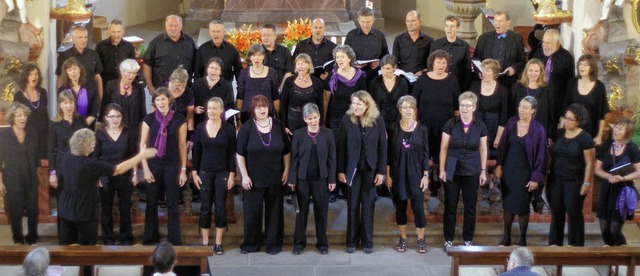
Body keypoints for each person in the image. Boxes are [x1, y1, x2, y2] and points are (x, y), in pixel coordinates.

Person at [58, 128, 156, 245]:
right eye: (92, 142)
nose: (95, 143)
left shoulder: (66, 156)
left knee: (67, 248)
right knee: (86, 251)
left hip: (65, 208)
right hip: (83, 211)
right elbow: (118, 169)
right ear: (85, 146)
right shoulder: (88, 164)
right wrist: (140, 156)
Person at [236, 95, 291, 254]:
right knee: (252, 213)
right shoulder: (246, 128)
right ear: (253, 110)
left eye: (264, 106)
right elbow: (240, 154)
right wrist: (244, 176)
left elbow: (286, 151)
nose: (262, 109)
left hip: (275, 177)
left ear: (269, 108)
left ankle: (273, 244)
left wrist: (286, 169)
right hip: (253, 179)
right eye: (258, 107)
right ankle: (251, 244)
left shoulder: (279, 126)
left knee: (274, 213)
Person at [337, 91, 387, 254]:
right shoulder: (347, 119)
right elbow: (341, 147)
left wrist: (381, 172)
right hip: (352, 170)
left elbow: (382, 147)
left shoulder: (378, 120)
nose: (355, 107)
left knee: (368, 205)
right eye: (354, 103)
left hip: (370, 169)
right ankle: (351, 241)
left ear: (367, 105)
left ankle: (367, 241)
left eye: (359, 104)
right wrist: (341, 170)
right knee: (352, 205)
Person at [496, 96, 547, 246]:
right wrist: (499, 165)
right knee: (508, 205)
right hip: (509, 171)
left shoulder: (538, 129)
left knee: (523, 206)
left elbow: (542, 155)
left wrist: (536, 178)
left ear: (533, 110)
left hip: (526, 173)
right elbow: (502, 146)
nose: (521, 110)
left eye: (525, 107)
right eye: (520, 107)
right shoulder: (511, 123)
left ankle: (523, 238)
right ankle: (506, 237)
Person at [140, 87, 188, 245]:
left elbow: (182, 145)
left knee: (173, 203)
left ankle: (174, 239)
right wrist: (145, 169)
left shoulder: (180, 119)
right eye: (157, 99)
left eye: (163, 99)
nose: (160, 102)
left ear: (169, 100)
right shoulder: (149, 119)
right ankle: (150, 238)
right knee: (151, 201)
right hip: (153, 164)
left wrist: (183, 170)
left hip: (172, 165)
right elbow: (143, 144)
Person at [440, 92, 488, 248]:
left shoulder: (480, 125)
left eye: (467, 106)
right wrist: (442, 169)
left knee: (470, 207)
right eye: (461, 105)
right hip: (452, 168)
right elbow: (444, 148)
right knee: (450, 206)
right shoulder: (450, 123)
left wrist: (483, 170)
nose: (464, 109)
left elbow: (483, 149)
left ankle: (468, 239)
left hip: (472, 169)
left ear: (474, 107)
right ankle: (448, 239)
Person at [288, 103, 336, 255]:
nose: (313, 121)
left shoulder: (328, 134)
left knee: (321, 212)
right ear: (304, 119)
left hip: (321, 179)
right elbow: (294, 159)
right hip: (302, 180)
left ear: (319, 116)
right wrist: (292, 179)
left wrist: (332, 179)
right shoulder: (298, 134)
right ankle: (299, 243)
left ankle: (322, 243)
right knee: (301, 212)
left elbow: (332, 159)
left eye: (315, 117)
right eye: (310, 118)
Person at [191, 97, 236, 255]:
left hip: (222, 172)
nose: (211, 111)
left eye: (215, 108)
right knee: (204, 207)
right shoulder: (200, 127)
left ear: (221, 110)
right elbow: (197, 152)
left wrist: (232, 174)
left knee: (220, 207)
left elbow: (232, 154)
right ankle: (204, 242)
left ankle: (218, 242)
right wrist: (194, 172)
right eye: (209, 108)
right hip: (204, 172)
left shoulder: (229, 129)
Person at [324, 45, 367, 202]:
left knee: (351, 151)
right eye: (337, 57)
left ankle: (349, 187)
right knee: (336, 151)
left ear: (350, 58)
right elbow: (326, 100)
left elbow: (364, 99)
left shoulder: (360, 75)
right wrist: (324, 120)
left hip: (354, 119)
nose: (339, 60)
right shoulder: (332, 76)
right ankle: (333, 188)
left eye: (342, 56)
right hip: (335, 119)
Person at [548, 104, 595, 246]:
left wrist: (586, 184)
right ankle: (555, 245)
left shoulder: (585, 138)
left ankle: (576, 247)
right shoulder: (559, 134)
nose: (566, 121)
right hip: (556, 179)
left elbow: (590, 164)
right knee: (556, 212)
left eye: (570, 119)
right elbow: (552, 154)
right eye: (565, 118)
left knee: (574, 213)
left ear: (578, 121)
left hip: (575, 181)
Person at [386, 96, 429, 253]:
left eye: (411, 107)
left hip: (416, 173)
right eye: (404, 107)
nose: (408, 110)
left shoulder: (422, 129)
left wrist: (426, 175)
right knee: (400, 207)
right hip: (398, 173)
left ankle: (421, 239)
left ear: (415, 109)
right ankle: (403, 238)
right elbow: (388, 153)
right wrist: (388, 174)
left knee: (418, 208)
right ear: (399, 110)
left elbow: (426, 154)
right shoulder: (393, 128)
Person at [94, 104, 139, 245]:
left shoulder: (128, 132)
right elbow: (95, 158)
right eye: (112, 116)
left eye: (118, 116)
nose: (115, 119)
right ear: (106, 118)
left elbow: (134, 156)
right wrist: (98, 177)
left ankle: (126, 238)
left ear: (122, 117)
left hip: (125, 175)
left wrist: (135, 173)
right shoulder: (99, 134)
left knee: (125, 208)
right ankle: (108, 238)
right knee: (106, 209)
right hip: (106, 177)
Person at [412, 50, 461, 172]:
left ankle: (443, 181)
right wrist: (414, 124)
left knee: (444, 158)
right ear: (432, 63)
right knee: (426, 158)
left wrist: (457, 127)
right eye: (438, 62)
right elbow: (414, 105)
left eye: (444, 62)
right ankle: (429, 184)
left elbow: (457, 107)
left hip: (446, 128)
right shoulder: (422, 80)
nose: (441, 65)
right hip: (425, 127)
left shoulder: (452, 80)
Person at [594, 116, 640, 246]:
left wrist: (623, 178)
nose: (616, 131)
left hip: (623, 191)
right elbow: (597, 169)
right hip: (607, 189)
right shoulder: (605, 146)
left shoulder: (632, 148)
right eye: (616, 128)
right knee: (604, 229)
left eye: (620, 129)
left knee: (615, 229)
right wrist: (608, 176)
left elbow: (638, 171)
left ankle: (623, 257)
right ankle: (611, 257)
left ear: (627, 132)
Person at [0, 103, 38, 245]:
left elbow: (36, 156)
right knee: (15, 212)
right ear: (12, 118)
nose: (23, 118)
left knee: (33, 211)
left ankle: (32, 239)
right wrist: (0, 181)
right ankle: (18, 240)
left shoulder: (32, 133)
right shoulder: (4, 135)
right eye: (19, 115)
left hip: (30, 177)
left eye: (24, 115)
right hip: (12, 178)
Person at [144, 15, 197, 95]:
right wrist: (150, 85)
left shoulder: (189, 41)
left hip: (184, 89)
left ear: (181, 26)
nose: (173, 28)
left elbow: (196, 63)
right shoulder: (156, 42)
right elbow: (147, 64)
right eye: (170, 25)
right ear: (165, 26)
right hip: (162, 89)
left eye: (176, 26)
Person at [532, 29, 575, 124]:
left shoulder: (566, 58)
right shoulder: (538, 54)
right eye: (543, 42)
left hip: (556, 104)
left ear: (557, 43)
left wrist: (565, 111)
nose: (544, 46)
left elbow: (570, 85)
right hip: (537, 100)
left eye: (548, 43)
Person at [474, 11, 525, 90]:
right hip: (487, 80)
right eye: (495, 21)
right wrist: (480, 72)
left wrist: (513, 68)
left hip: (508, 82)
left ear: (508, 23)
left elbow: (522, 62)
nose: (497, 24)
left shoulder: (517, 39)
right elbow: (476, 59)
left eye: (500, 21)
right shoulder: (483, 38)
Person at [563, 54, 608, 145]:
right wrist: (562, 129)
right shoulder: (572, 82)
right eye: (580, 64)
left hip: (590, 130)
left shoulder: (599, 87)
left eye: (585, 65)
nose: (582, 67)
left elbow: (601, 114)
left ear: (592, 68)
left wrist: (599, 135)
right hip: (571, 128)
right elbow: (565, 107)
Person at [48, 91, 87, 190]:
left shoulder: (81, 121)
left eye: (71, 102)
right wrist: (52, 172)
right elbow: (51, 150)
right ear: (60, 105)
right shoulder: (54, 124)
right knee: (63, 199)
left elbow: (87, 143)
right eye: (65, 103)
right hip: (62, 166)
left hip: (79, 165)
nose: (69, 106)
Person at [469, 59, 508, 158]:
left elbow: (503, 116)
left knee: (489, 155)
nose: (484, 73)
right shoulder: (474, 86)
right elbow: (468, 109)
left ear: (495, 73)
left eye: (487, 70)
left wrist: (498, 137)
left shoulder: (503, 90)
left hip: (493, 130)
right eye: (483, 69)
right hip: (475, 127)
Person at [511, 59, 556, 142]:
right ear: (526, 71)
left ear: (541, 73)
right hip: (519, 131)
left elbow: (551, 114)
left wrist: (550, 135)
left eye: (536, 71)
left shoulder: (547, 89)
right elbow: (512, 111)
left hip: (540, 131)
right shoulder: (517, 87)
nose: (533, 73)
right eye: (530, 70)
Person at [280, 53, 324, 135]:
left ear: (309, 66)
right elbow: (283, 105)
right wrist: (284, 126)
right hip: (292, 122)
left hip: (311, 123)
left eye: (303, 63)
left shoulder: (317, 82)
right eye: (298, 63)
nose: (300, 66)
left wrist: (320, 124)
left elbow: (320, 106)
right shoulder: (289, 81)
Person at [236, 44, 280, 125]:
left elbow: (275, 96)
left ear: (263, 56)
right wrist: (238, 119)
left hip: (266, 114)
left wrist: (278, 118)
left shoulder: (272, 73)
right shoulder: (244, 73)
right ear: (249, 57)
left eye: (259, 55)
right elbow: (240, 97)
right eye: (253, 55)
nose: (256, 58)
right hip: (247, 115)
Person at [55, 26, 104, 100]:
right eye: (80, 37)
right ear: (73, 39)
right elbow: (60, 80)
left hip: (91, 99)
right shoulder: (64, 56)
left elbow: (97, 78)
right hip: (71, 98)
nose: (83, 40)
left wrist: (100, 98)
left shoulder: (93, 55)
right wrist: (60, 101)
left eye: (85, 37)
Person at [344, 7, 389, 86]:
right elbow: (345, 55)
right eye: (363, 22)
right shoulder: (351, 35)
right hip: (355, 74)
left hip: (375, 75)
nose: (365, 25)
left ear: (373, 21)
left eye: (368, 22)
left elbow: (386, 54)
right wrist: (353, 64)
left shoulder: (380, 36)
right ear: (358, 20)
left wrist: (379, 62)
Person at [101, 59, 146, 137]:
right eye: (129, 73)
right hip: (114, 130)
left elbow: (142, 112)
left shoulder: (139, 88)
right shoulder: (110, 86)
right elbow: (104, 109)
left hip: (134, 131)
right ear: (121, 72)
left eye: (134, 73)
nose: (131, 76)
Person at [13, 63, 48, 160]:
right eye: (31, 74)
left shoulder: (43, 92)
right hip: (27, 137)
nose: (34, 76)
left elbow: (45, 114)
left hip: (44, 136)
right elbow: (15, 119)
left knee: (44, 168)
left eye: (36, 74)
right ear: (26, 77)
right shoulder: (18, 96)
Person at [369, 54, 409, 137]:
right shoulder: (374, 83)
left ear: (394, 68)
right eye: (383, 68)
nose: (385, 71)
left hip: (398, 123)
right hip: (379, 122)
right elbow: (371, 105)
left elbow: (404, 104)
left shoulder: (402, 83)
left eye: (388, 68)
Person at [430, 15, 472, 91]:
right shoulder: (436, 44)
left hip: (457, 87)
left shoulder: (464, 46)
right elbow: (430, 66)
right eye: (447, 26)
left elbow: (467, 71)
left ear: (458, 28)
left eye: (452, 26)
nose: (449, 29)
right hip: (438, 85)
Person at [57, 57, 99, 127]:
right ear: (66, 73)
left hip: (86, 127)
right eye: (70, 70)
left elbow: (94, 112)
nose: (73, 72)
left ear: (79, 69)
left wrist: (83, 126)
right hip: (67, 128)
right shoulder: (62, 90)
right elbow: (60, 112)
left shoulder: (91, 88)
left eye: (75, 68)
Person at [193, 57, 235, 126]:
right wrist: (195, 109)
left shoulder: (227, 86)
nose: (213, 71)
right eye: (211, 67)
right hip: (200, 124)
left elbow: (230, 107)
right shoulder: (197, 84)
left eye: (217, 69)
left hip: (220, 124)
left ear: (221, 71)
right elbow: (190, 104)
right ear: (207, 69)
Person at [95, 19, 136, 88]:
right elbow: (97, 68)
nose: (116, 35)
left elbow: (132, 66)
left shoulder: (129, 47)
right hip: (106, 84)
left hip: (123, 83)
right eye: (113, 32)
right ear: (109, 31)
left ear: (123, 31)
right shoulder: (100, 46)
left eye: (119, 32)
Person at [392, 10, 433, 76]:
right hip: (403, 77)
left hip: (421, 77)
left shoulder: (429, 41)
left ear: (420, 22)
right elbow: (394, 60)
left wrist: (422, 72)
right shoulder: (399, 39)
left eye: (413, 21)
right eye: (408, 21)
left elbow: (432, 63)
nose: (410, 24)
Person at [166, 65, 195, 142]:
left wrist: (190, 137)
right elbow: (154, 111)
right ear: (172, 81)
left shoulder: (188, 93)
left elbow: (190, 116)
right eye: (178, 85)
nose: (181, 88)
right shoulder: (163, 89)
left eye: (183, 85)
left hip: (181, 128)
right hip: (164, 128)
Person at [261, 23, 294, 87]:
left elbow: (288, 72)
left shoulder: (284, 51)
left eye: (268, 35)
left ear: (275, 36)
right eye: (263, 35)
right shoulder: (257, 52)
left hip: (281, 90)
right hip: (262, 91)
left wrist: (281, 89)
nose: (265, 38)